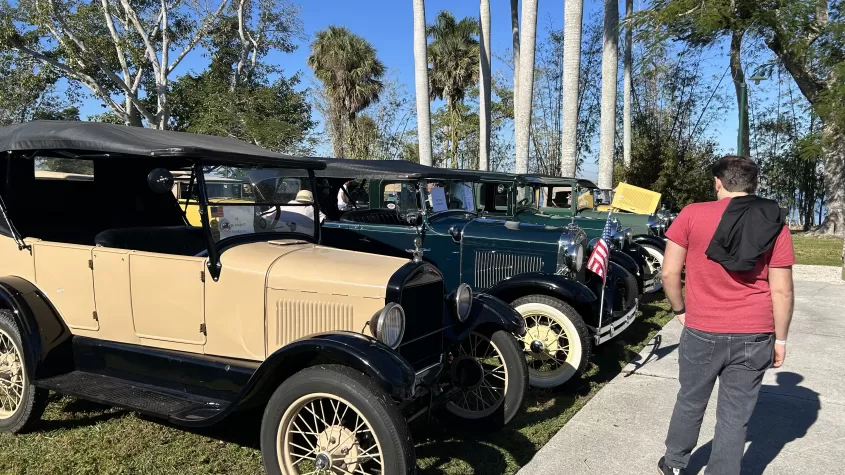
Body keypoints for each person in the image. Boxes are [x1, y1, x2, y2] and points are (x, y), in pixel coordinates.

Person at [658, 156, 795, 475]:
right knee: (736, 414)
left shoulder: (691, 214)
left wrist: (681, 311)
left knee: (690, 399)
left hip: (703, 329)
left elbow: (669, 274)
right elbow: (783, 290)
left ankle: (676, 464)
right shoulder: (774, 220)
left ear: (718, 182)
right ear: (753, 184)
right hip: (755, 332)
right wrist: (782, 338)